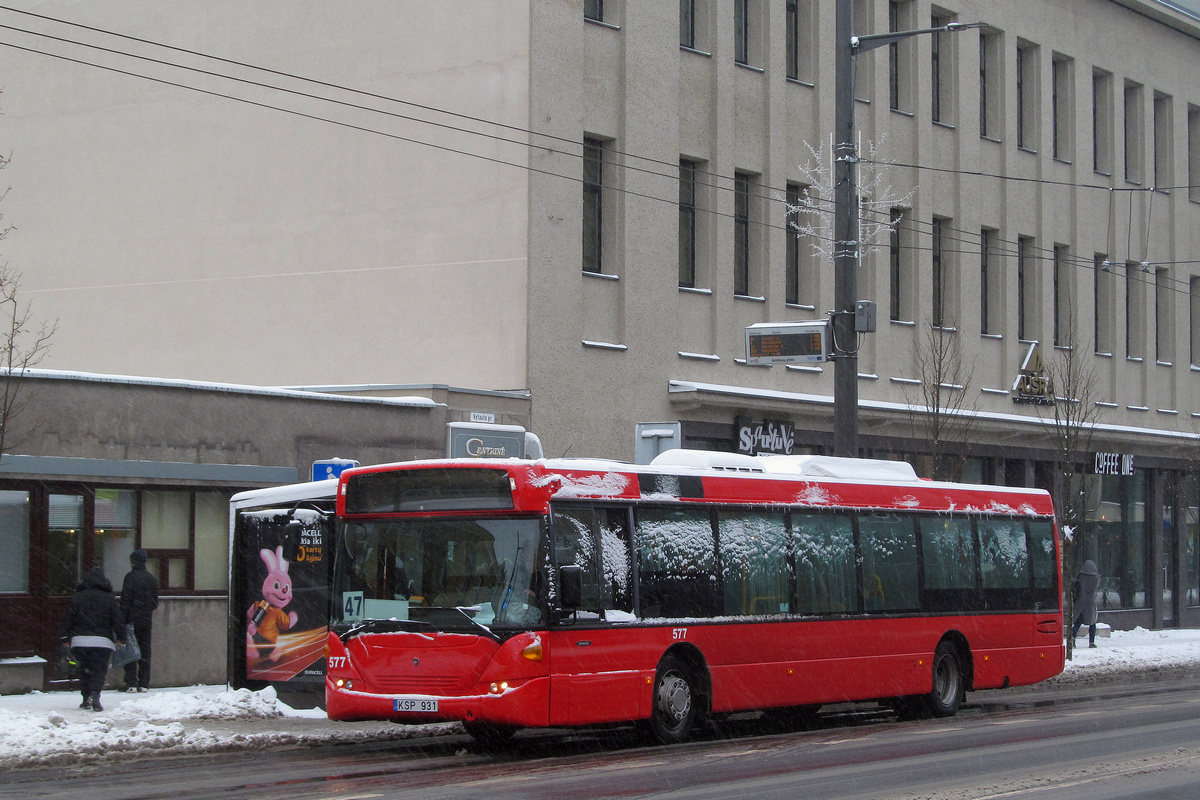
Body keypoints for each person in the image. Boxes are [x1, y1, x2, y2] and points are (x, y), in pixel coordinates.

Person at [59, 566, 126, 712]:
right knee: (99, 670)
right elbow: (117, 619)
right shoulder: (109, 598)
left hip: (80, 641)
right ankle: (95, 694)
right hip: (103, 641)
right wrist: (121, 636)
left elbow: (68, 618)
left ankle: (85, 698)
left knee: (85, 669)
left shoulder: (77, 597)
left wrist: (64, 636)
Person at [120, 549, 159, 692]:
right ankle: (144, 683)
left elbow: (125, 600)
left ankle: (131, 682)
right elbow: (155, 602)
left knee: (130, 649)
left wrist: (122, 619)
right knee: (145, 651)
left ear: (133, 562)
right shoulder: (151, 578)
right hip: (146, 620)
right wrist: (145, 609)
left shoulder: (130, 577)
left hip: (131, 619)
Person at [1071, 559, 1101, 648]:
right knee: (1092, 622)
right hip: (1090, 603)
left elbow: (1074, 587)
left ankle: (1072, 639)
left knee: (1078, 622)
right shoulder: (1096, 578)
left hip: (1080, 601)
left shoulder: (1079, 577)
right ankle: (1091, 642)